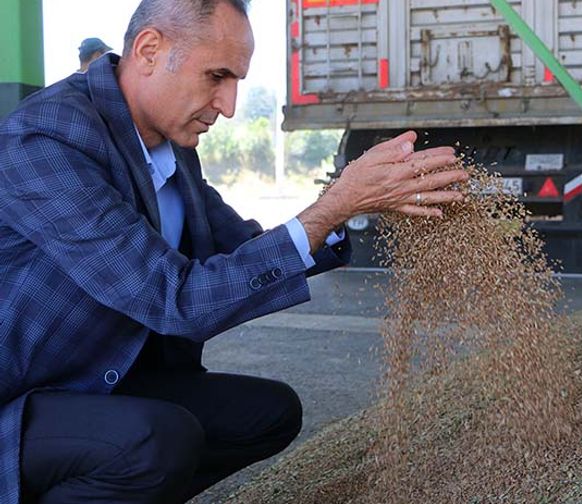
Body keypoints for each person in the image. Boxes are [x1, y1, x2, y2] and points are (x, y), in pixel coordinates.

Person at [0, 0, 467, 502]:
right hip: (24, 396)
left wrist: (358, 206)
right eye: (217, 76)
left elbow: (245, 245)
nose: (229, 105)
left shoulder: (169, 144)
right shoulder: (47, 138)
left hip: (105, 381)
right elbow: (173, 299)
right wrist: (334, 206)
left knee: (268, 413)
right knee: (155, 443)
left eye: (237, 81)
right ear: (150, 50)